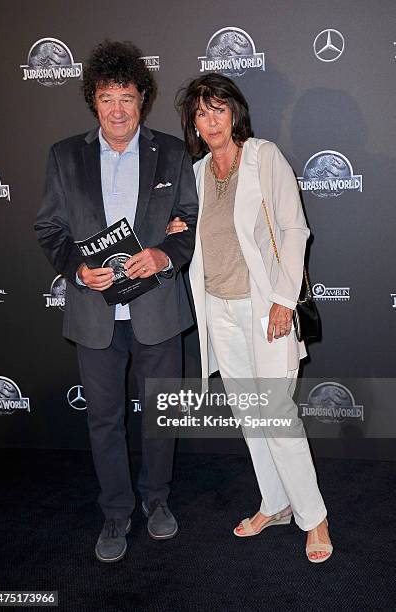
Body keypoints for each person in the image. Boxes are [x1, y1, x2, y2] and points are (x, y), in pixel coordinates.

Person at [35, 40, 198, 563]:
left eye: (127, 96)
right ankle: (114, 512)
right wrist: (77, 271)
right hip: (94, 316)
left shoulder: (172, 151)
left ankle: (157, 500)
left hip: (157, 310)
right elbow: (49, 228)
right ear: (93, 101)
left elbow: (191, 223)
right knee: (104, 419)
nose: (118, 109)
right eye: (107, 98)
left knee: (160, 415)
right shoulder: (65, 155)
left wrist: (165, 253)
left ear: (142, 98)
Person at [171, 73, 332, 563]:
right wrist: (177, 228)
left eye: (218, 108)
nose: (210, 120)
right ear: (193, 124)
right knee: (250, 418)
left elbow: (294, 227)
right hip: (218, 310)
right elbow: (196, 238)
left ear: (234, 113)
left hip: (264, 308)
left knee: (277, 416)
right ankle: (276, 502)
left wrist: (284, 299)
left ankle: (315, 517)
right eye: (201, 112)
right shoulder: (197, 174)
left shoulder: (264, 157)